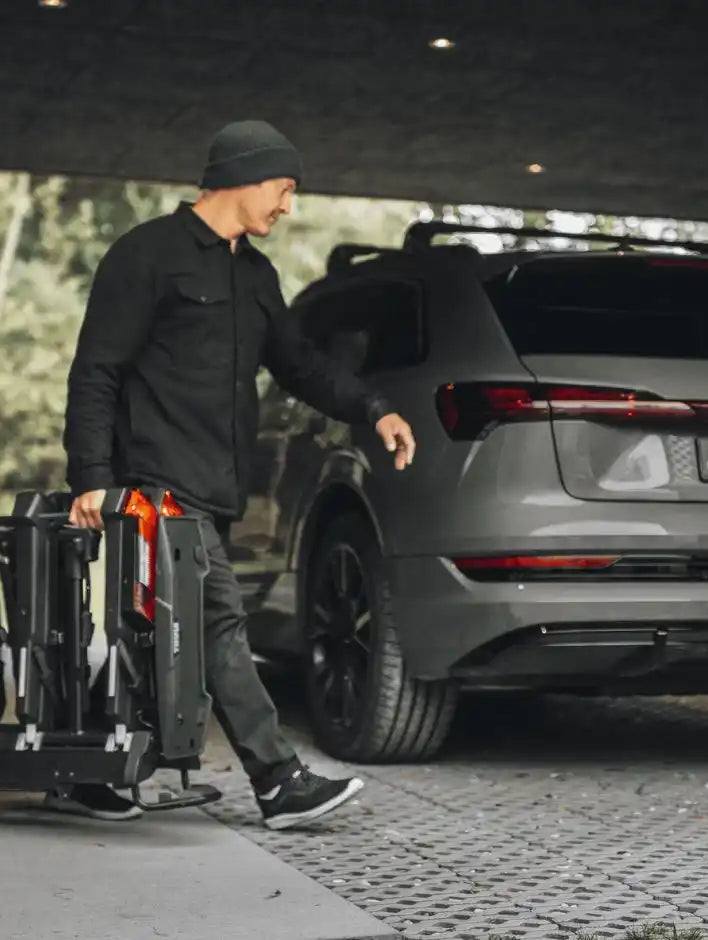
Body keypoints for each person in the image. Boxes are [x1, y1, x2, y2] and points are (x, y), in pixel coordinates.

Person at [48, 119, 416, 830]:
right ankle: (278, 781)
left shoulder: (255, 276)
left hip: (215, 490)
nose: (289, 206)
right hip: (153, 486)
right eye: (284, 188)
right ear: (244, 178)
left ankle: (83, 772)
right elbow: (96, 370)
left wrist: (374, 409)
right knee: (215, 622)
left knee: (156, 631)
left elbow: (301, 367)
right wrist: (91, 476)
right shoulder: (146, 255)